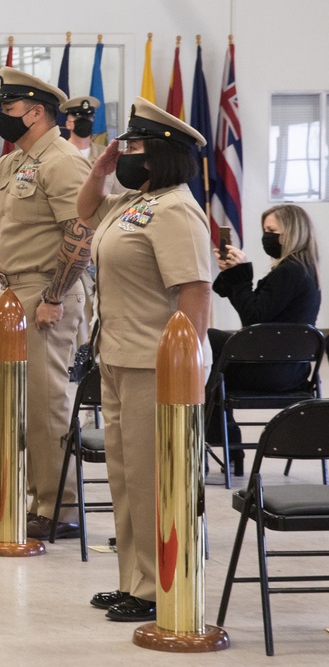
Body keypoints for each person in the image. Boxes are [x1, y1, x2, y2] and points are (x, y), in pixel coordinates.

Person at [76, 97, 212, 622]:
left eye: (133, 145)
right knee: (126, 475)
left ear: (159, 154)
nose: (125, 151)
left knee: (151, 476)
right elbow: (86, 211)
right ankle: (135, 579)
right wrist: (104, 166)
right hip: (117, 356)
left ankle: (160, 585)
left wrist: (185, 368)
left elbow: (195, 291)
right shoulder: (134, 202)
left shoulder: (176, 208)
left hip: (156, 365)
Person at [0, 67, 91, 538]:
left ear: (36, 112)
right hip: (14, 293)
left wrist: (53, 296)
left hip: (44, 293)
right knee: (21, 404)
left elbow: (81, 232)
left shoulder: (62, 161)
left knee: (46, 403)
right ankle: (38, 500)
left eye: (7, 109)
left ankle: (60, 508)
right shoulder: (17, 160)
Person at [208, 203, 321, 474]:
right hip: (293, 372)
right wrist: (233, 274)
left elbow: (254, 316)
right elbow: (259, 310)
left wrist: (241, 274)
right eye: (264, 230)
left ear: (291, 232)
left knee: (207, 353)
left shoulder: (290, 271)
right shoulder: (302, 269)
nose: (266, 237)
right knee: (211, 352)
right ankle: (226, 445)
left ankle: (222, 444)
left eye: (271, 230)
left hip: (273, 372)